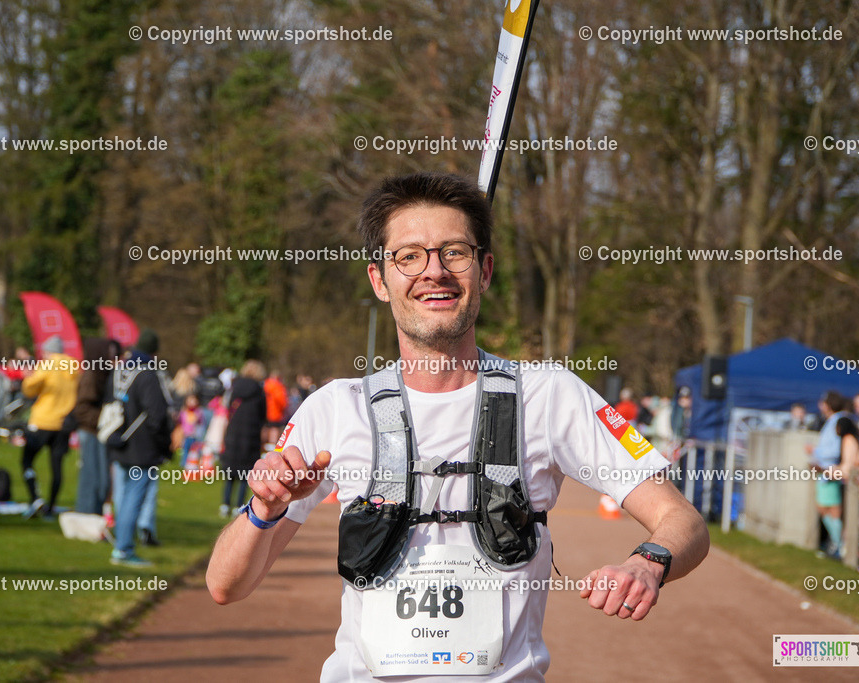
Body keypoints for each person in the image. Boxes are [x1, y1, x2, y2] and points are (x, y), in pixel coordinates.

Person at [205, 172, 709, 681]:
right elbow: (226, 586)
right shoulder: (337, 407)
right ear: (380, 280)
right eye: (409, 256)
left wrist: (647, 563)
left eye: (454, 252)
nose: (434, 272)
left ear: (484, 270)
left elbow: (683, 522)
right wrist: (263, 510)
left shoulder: (549, 395)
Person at [108, 330, 173, 566]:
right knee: (133, 500)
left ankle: (121, 544)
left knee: (123, 497)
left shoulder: (119, 370)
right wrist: (165, 446)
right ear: (154, 352)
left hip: (119, 442)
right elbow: (157, 415)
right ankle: (123, 549)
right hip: (142, 448)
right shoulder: (148, 374)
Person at [20, 335, 80, 518]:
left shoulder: (47, 365)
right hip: (64, 423)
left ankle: (35, 498)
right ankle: (51, 507)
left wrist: (27, 377)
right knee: (57, 467)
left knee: (27, 460)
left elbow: (29, 388)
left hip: (43, 421)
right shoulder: (74, 367)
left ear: (48, 351)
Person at [72, 337, 121, 515]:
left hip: (99, 431)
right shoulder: (91, 376)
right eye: (109, 353)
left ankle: (95, 512)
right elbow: (82, 409)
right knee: (91, 476)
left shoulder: (102, 374)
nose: (112, 357)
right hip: (90, 431)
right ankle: (86, 513)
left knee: (102, 479)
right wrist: (106, 418)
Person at [219, 360, 268, 517]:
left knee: (230, 472)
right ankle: (238, 505)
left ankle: (225, 504)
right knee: (244, 473)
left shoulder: (235, 388)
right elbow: (263, 415)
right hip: (251, 434)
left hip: (234, 432)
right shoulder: (260, 392)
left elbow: (228, 408)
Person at [808, 391, 847, 558]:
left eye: (823, 402)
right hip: (825, 471)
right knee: (826, 508)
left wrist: (814, 451)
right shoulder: (831, 421)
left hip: (830, 471)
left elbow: (835, 449)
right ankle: (836, 545)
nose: (820, 406)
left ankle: (840, 546)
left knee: (830, 509)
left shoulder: (837, 422)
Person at [263, 369, 289, 448]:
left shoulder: (266, 384)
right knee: (275, 429)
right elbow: (281, 400)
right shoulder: (278, 386)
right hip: (275, 411)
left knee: (266, 428)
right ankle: (272, 445)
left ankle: (264, 445)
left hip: (265, 410)